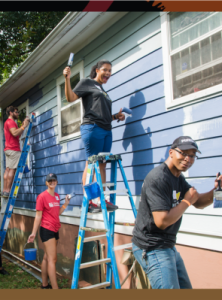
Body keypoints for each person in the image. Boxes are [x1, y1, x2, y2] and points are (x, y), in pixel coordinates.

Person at [131, 136, 222, 289]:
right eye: (184, 153)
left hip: (167, 246)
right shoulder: (158, 178)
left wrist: (218, 191)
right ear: (171, 152)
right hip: (152, 247)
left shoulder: (178, 178)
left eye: (192, 155)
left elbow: (198, 202)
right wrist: (186, 201)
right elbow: (162, 221)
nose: (188, 159)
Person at [63, 60, 126, 213]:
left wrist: (115, 117)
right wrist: (67, 79)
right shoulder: (87, 83)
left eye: (110, 71)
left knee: (102, 164)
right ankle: (89, 200)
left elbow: (102, 114)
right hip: (92, 127)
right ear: (97, 70)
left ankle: (101, 199)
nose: (108, 73)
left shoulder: (102, 90)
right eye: (105, 70)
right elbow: (71, 98)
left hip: (106, 129)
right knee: (91, 164)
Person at [27, 173, 70, 289]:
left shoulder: (56, 196)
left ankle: (45, 284)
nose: (52, 182)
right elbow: (38, 216)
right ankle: (55, 289)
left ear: (56, 182)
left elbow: (57, 213)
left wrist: (65, 204)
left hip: (55, 228)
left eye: (54, 180)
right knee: (53, 259)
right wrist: (33, 233)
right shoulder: (41, 197)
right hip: (46, 229)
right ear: (46, 183)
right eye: (50, 180)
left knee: (47, 256)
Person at [2, 106, 30, 197]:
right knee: (12, 170)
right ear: (11, 113)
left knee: (8, 169)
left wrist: (22, 126)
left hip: (8, 149)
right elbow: (14, 133)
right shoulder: (10, 122)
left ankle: (5, 190)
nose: (18, 114)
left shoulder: (9, 122)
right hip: (13, 149)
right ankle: (9, 191)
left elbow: (17, 134)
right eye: (16, 112)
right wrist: (24, 126)